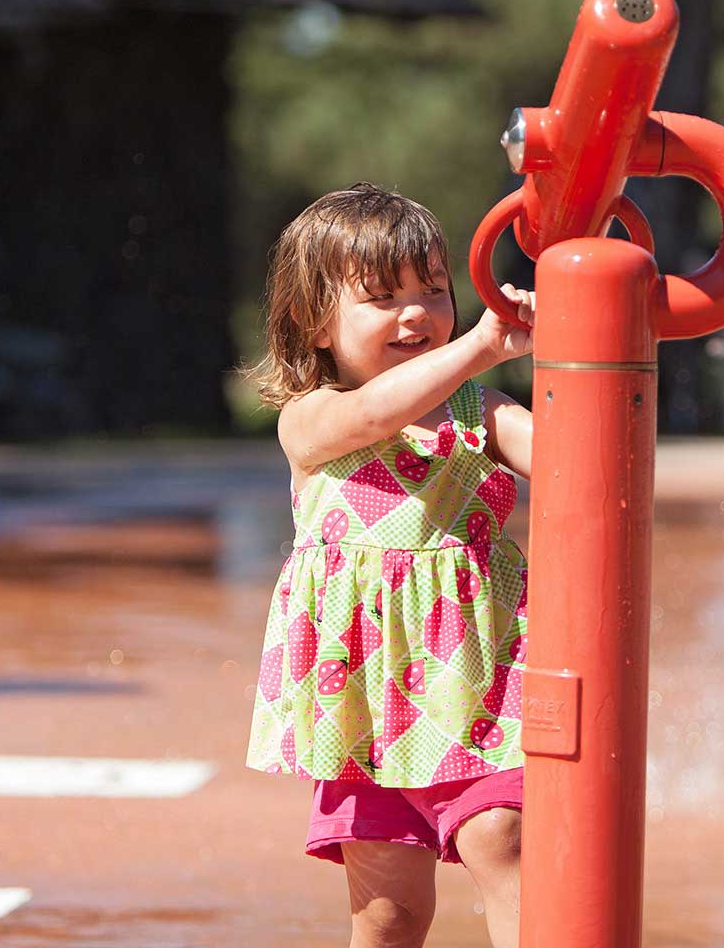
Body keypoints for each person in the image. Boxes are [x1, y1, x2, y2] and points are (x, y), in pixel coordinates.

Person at [243, 184, 537, 948]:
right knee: (388, 915)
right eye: (382, 297)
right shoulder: (312, 419)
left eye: (434, 291)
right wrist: (479, 341)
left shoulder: (483, 413)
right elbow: (376, 416)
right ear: (314, 325)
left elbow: (582, 462)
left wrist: (588, 340)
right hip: (363, 701)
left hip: (479, 681)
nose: (417, 313)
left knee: (504, 840)